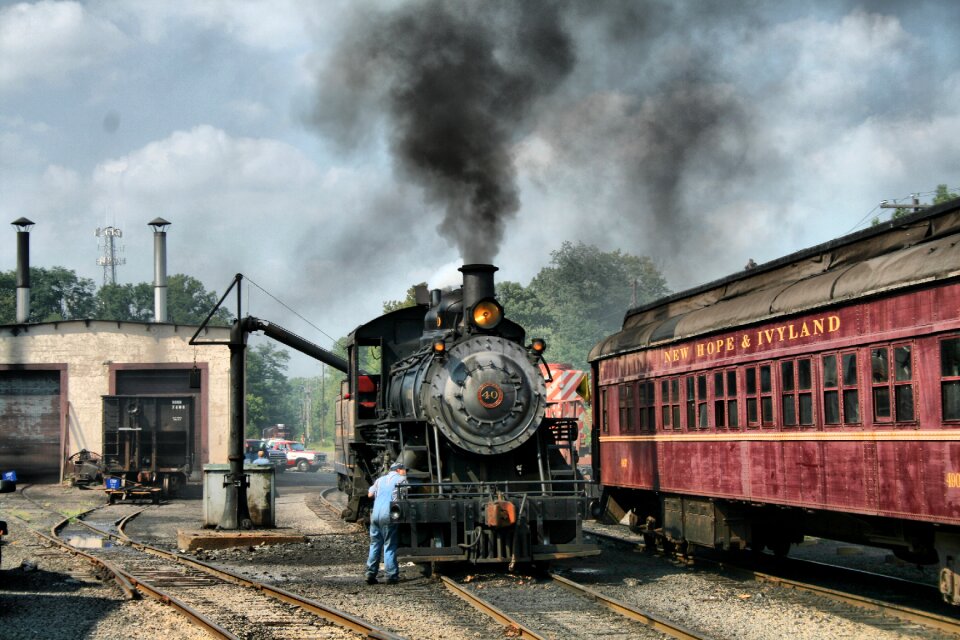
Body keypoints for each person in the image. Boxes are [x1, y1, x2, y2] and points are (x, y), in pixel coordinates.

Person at [365, 461, 408, 585]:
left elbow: (370, 494)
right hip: (388, 515)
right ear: (399, 470)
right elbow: (404, 498)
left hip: (375, 515)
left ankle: (370, 574)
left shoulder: (380, 480)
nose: (405, 472)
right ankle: (391, 576)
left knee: (375, 544)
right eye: (404, 469)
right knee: (389, 545)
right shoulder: (401, 480)